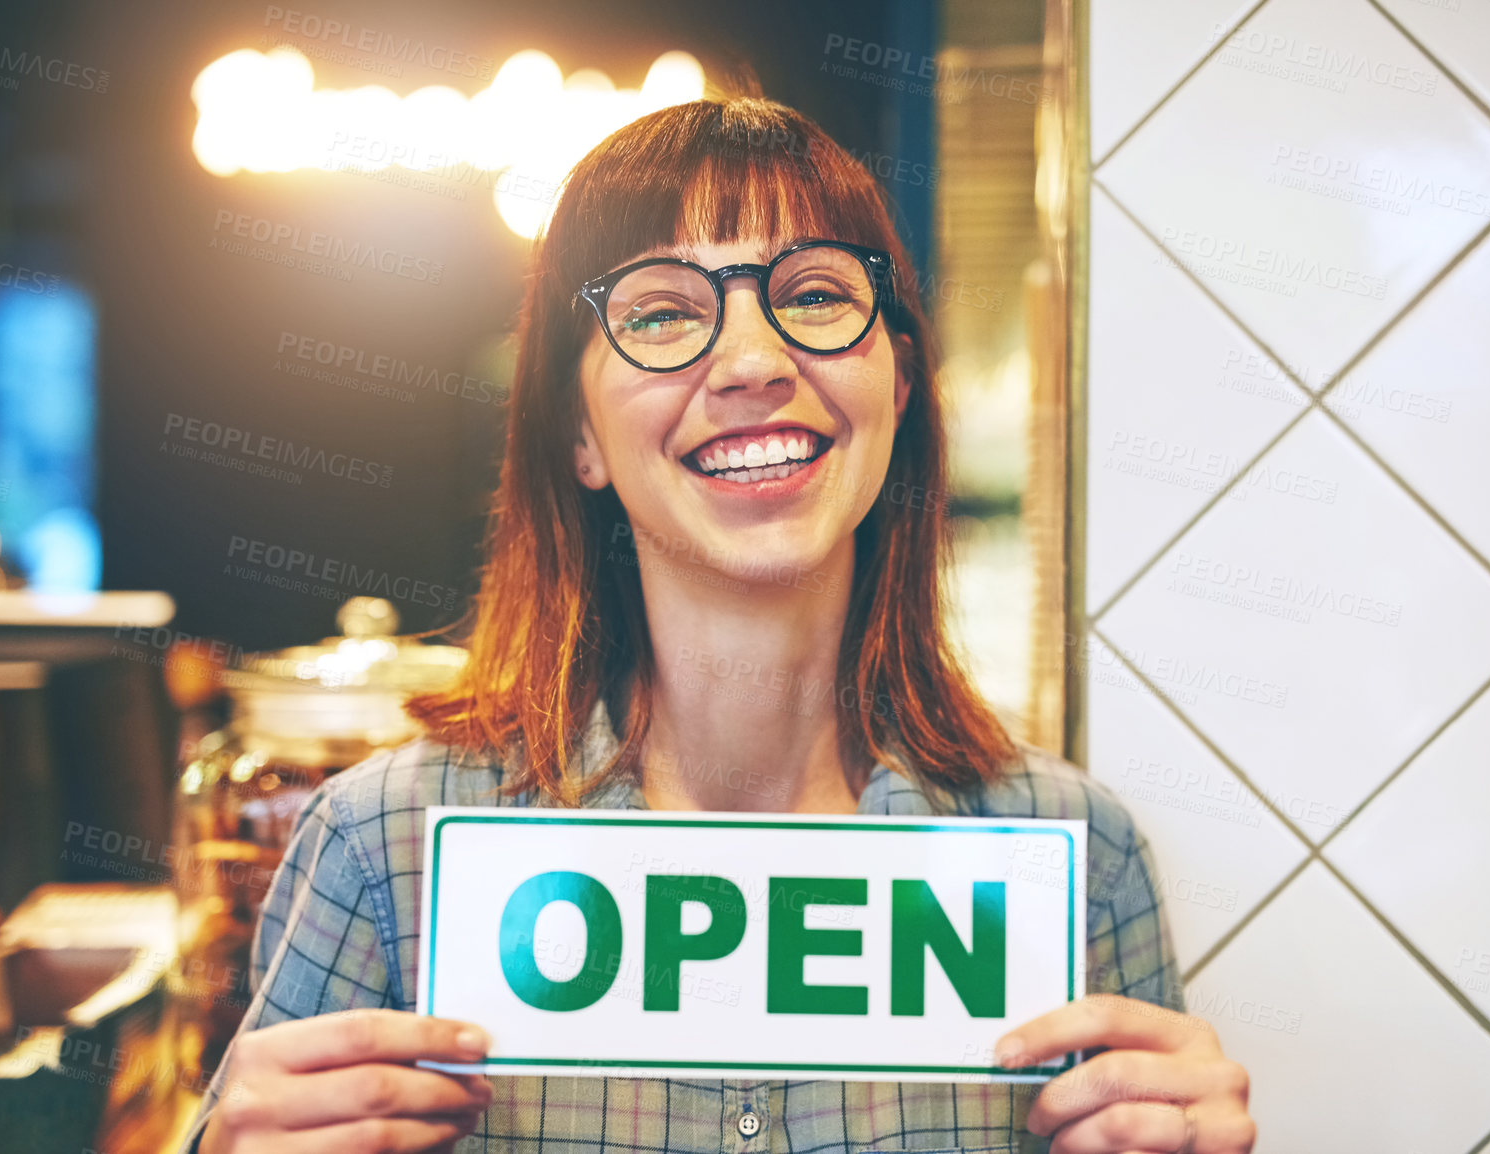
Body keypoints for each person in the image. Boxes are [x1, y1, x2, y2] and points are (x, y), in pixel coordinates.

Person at [183, 97, 1255, 1154]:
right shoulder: (384, 841)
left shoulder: (1078, 849)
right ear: (579, 434)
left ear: (899, 385)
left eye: (819, 294)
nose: (752, 362)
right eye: (659, 312)